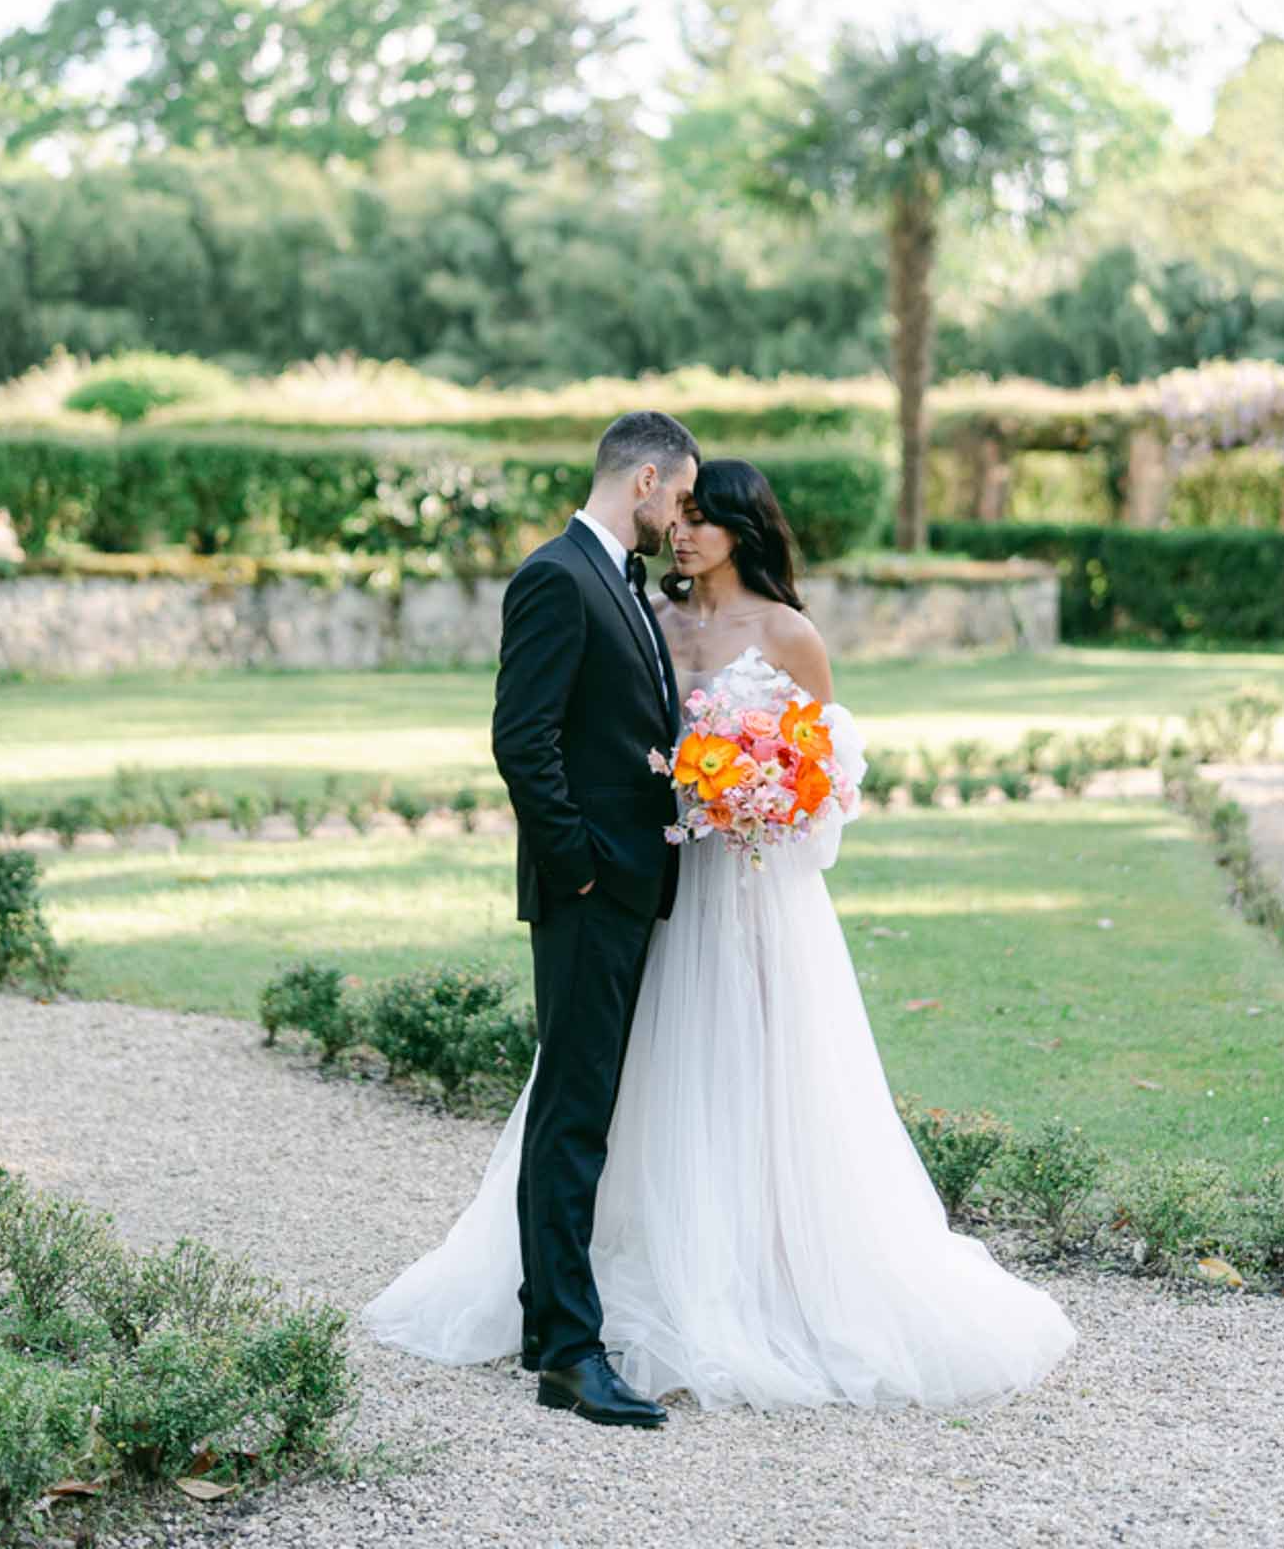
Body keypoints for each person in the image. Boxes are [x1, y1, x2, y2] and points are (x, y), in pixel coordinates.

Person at [362, 453, 1076, 1417]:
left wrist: (766, 800)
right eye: (681, 515)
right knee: (639, 1078)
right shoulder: (645, 616)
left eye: (706, 518)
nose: (685, 534)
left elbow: (830, 779)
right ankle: (590, 1297)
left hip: (748, 894)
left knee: (756, 1081)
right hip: (649, 884)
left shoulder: (790, 635)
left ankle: (755, 1280)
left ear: (744, 529)